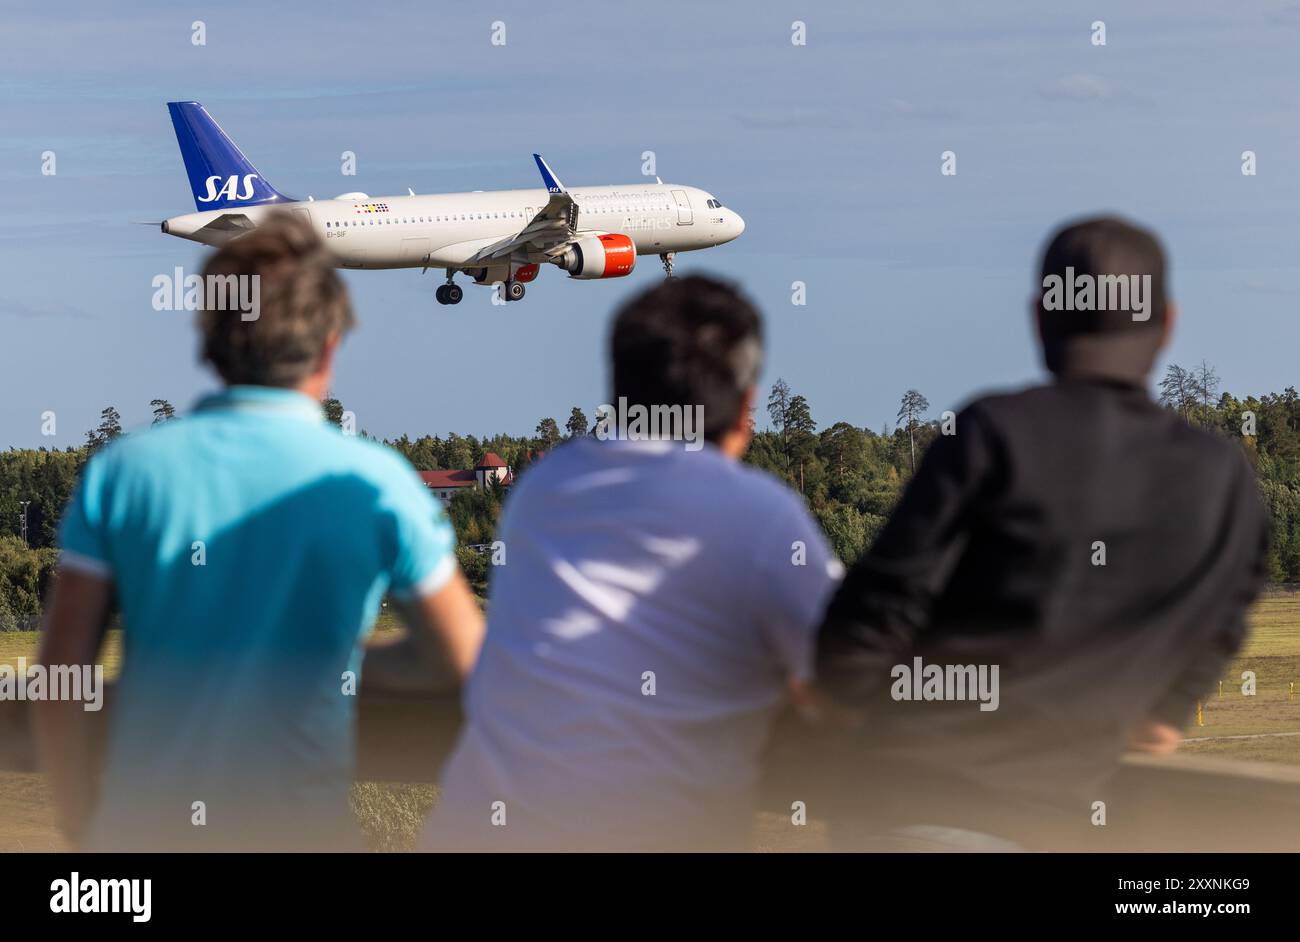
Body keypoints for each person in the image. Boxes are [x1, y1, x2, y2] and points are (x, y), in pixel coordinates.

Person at [814, 216, 1269, 850]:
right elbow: (1222, 625)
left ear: (1038, 318)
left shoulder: (990, 434)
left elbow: (868, 619)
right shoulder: (1224, 479)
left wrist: (850, 703)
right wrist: (1163, 713)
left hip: (912, 809)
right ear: (1166, 322)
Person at [35, 214, 484, 851]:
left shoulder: (125, 472)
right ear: (331, 344)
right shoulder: (374, 480)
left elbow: (60, 674)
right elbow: (463, 659)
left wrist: (86, 826)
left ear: (208, 339)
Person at [422, 276, 842, 851]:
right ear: (747, 405)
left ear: (618, 390)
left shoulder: (543, 488)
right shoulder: (760, 513)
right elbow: (846, 669)